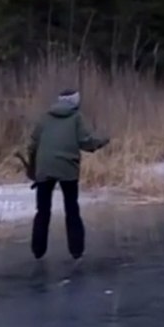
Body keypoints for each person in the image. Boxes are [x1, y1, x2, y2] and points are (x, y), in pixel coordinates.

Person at [26, 88, 109, 261]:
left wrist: (34, 168)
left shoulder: (45, 117)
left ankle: (38, 251)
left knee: (42, 211)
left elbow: (33, 144)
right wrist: (102, 140)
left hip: (45, 167)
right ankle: (76, 251)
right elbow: (86, 143)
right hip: (67, 168)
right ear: (75, 102)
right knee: (71, 209)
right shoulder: (76, 118)